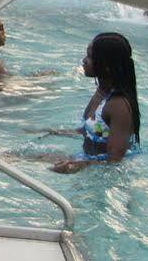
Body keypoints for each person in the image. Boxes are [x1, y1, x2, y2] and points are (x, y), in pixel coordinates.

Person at [50, 32, 141, 173]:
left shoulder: (118, 105)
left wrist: (80, 165)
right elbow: (95, 131)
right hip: (88, 160)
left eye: (90, 57)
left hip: (107, 174)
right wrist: (53, 132)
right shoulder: (101, 92)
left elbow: (115, 159)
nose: (84, 60)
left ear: (106, 65)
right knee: (19, 157)